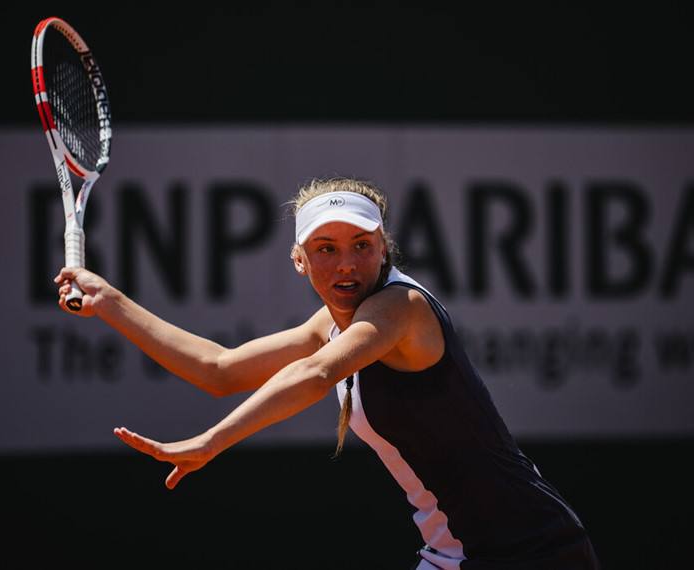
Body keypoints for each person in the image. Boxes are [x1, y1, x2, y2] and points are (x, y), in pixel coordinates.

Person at [54, 177, 600, 569]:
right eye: (326, 249)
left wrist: (210, 441)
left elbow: (317, 374)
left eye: (362, 246)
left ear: (383, 246)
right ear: (300, 259)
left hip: (532, 549)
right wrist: (109, 300)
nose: (347, 264)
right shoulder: (328, 324)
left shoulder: (400, 308)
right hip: (454, 553)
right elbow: (217, 369)